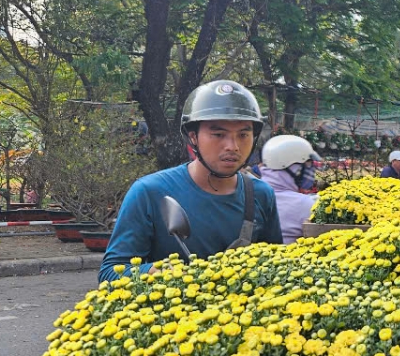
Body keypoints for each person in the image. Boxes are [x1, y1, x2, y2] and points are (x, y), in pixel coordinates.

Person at [99, 80, 283, 282]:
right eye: (219, 134)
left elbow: (274, 269)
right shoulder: (149, 192)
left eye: (243, 135)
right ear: (193, 136)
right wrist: (157, 272)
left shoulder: (261, 194)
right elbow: (109, 274)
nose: (233, 146)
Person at [259, 135, 321, 243]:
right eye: (307, 166)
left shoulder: (247, 193)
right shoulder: (304, 204)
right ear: (294, 169)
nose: (310, 172)